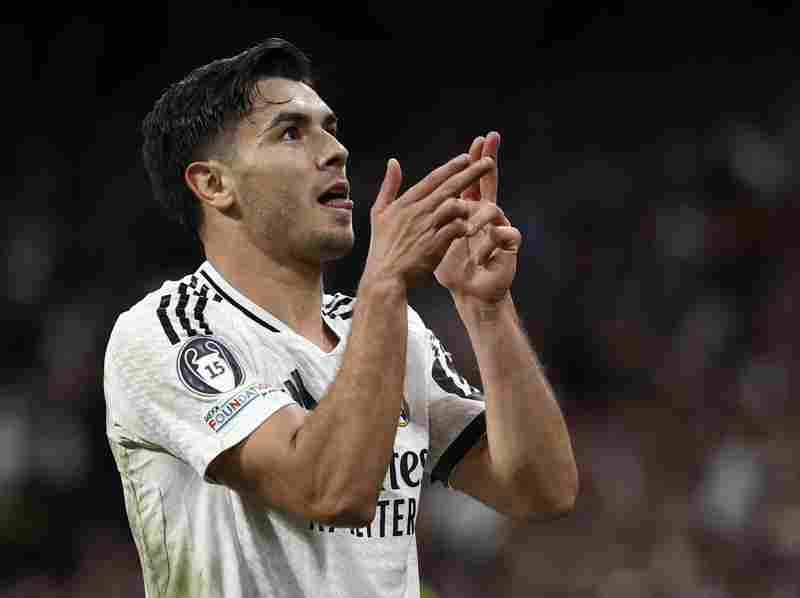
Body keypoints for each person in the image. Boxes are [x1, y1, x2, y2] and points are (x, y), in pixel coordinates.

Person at [103, 37, 578, 598]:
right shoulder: (167, 333)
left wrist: (486, 309)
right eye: (291, 132)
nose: (335, 150)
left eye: (329, 128)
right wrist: (386, 281)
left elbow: (540, 489)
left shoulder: (388, 328)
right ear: (214, 184)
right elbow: (329, 491)